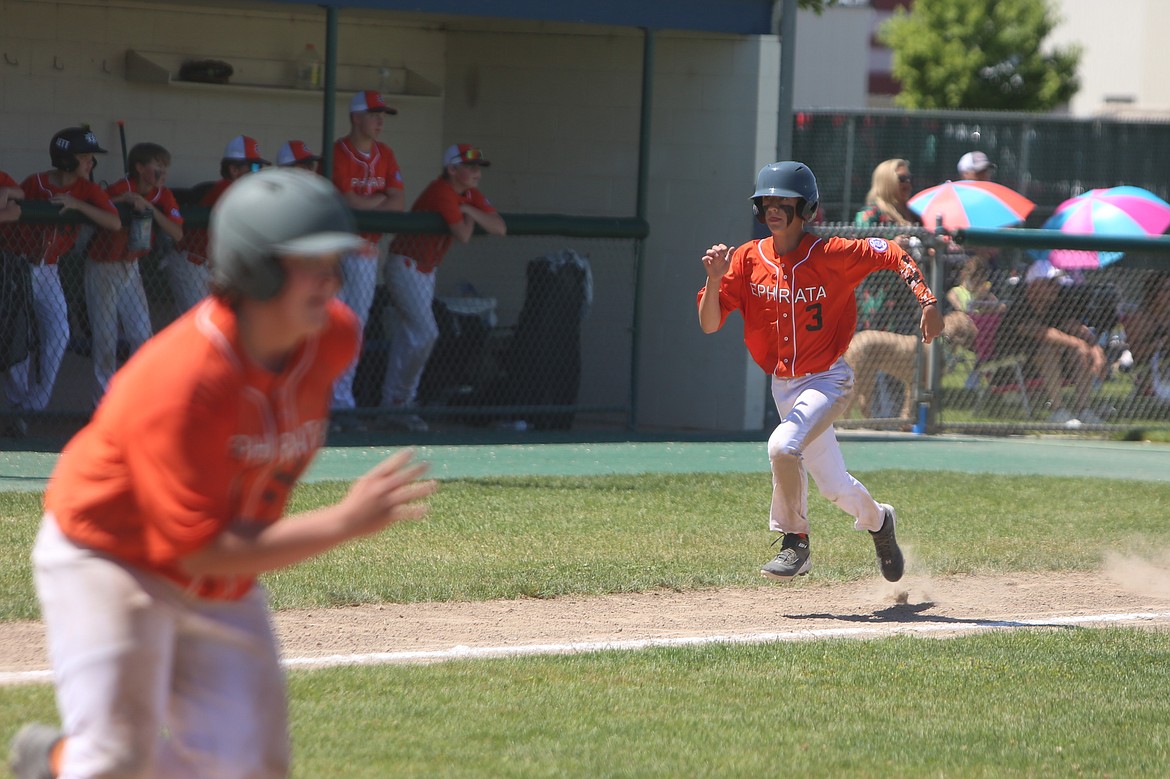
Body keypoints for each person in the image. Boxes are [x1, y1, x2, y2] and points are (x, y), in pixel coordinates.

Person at [6, 167, 436, 779]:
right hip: (108, 552)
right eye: (309, 262)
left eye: (334, 260)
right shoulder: (183, 382)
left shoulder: (332, 337)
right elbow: (200, 550)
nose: (331, 279)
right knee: (115, 761)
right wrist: (344, 521)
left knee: (252, 765)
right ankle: (59, 762)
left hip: (218, 559)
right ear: (255, 271)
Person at [698, 161, 942, 581]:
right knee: (834, 488)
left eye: (784, 200)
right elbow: (708, 322)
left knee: (781, 446)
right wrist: (717, 280)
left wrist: (929, 302)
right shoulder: (746, 258)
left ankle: (796, 541)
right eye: (767, 200)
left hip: (829, 379)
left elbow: (894, 253)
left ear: (805, 207)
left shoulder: (831, 254)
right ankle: (880, 522)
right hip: (784, 386)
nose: (773, 208)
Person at [382, 143, 507, 431]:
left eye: (478, 167)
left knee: (408, 337)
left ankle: (394, 404)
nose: (476, 172)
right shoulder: (441, 190)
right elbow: (463, 234)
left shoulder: (468, 195)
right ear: (452, 169)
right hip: (406, 265)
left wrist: (468, 208)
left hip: (426, 271)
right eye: (469, 166)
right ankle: (402, 402)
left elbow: (499, 226)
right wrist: (469, 211)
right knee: (426, 333)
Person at [2, 127, 121, 424]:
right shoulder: (37, 182)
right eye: (84, 157)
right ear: (66, 160)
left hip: (50, 271)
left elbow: (114, 222)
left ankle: (35, 405)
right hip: (17, 267)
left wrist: (78, 205)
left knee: (59, 332)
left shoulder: (88, 191)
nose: (90, 164)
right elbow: (15, 201)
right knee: (20, 337)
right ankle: (18, 403)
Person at [85, 142, 184, 405]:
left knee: (142, 336)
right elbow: (96, 201)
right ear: (139, 168)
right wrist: (124, 200)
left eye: (165, 166)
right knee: (105, 339)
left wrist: (149, 209)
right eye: (157, 165)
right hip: (103, 267)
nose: (162, 171)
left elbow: (177, 232)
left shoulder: (162, 195)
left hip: (132, 268)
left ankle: (140, 401)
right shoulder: (121, 187)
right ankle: (103, 406)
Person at [330, 90, 405, 418]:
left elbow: (399, 203)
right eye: (374, 114)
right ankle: (331, 400)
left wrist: (369, 201)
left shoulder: (385, 153)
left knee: (354, 327)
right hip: (337, 250)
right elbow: (348, 202)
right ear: (355, 117)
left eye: (383, 115)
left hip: (366, 250)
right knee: (328, 324)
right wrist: (379, 198)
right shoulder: (338, 152)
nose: (380, 121)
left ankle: (342, 402)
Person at [166, 134, 269, 314]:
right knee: (198, 319)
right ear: (234, 170)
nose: (258, 171)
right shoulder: (226, 188)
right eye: (253, 166)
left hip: (207, 267)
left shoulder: (242, 189)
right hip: (192, 264)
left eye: (259, 166)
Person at [997, 259, 1107, 426]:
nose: (1056, 287)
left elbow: (1078, 329)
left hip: (1050, 369)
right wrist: (1079, 343)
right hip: (1009, 370)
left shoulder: (1055, 305)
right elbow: (1045, 334)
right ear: (1034, 285)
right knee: (1049, 349)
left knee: (1076, 351)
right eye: (1050, 283)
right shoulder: (1018, 307)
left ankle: (1085, 410)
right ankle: (1058, 411)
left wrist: (1096, 350)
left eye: (1057, 283)